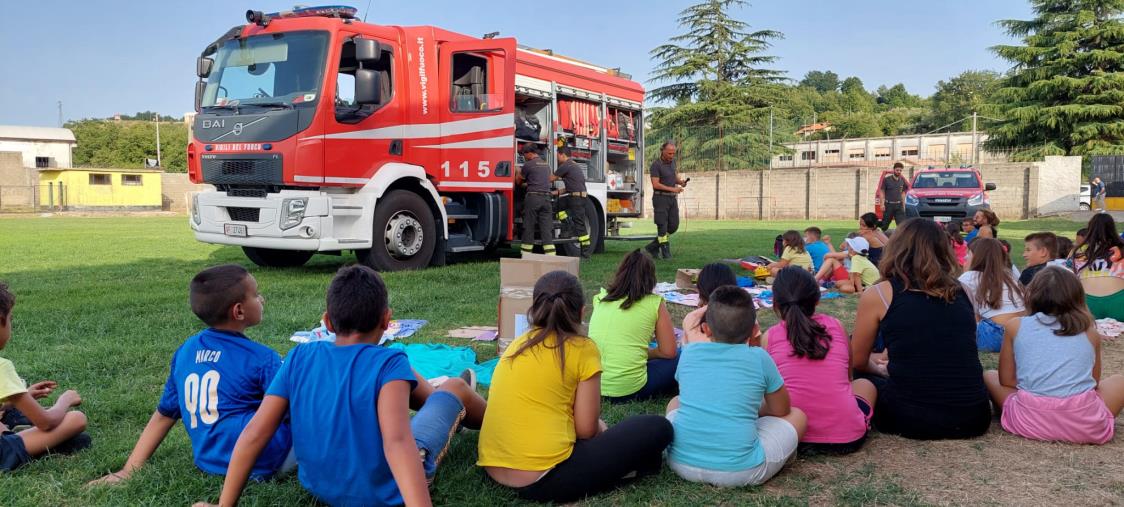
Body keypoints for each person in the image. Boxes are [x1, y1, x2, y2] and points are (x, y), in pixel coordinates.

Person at [197, 266, 477, 507]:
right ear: (386, 320)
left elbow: (254, 433)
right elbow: (398, 443)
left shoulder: (299, 357)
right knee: (455, 387)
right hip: (388, 491)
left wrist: (224, 505)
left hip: (320, 486)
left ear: (327, 322)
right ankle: (487, 424)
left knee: (403, 379)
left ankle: (446, 406)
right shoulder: (390, 363)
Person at [478, 271, 673, 503]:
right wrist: (600, 426)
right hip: (543, 477)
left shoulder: (517, 344)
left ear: (535, 307)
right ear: (582, 312)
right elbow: (586, 430)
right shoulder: (582, 349)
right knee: (657, 427)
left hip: (492, 467)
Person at [92, 265, 292, 485]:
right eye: (256, 294)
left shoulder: (185, 351)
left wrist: (128, 470)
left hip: (208, 461)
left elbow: (164, 415)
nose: (262, 299)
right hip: (262, 461)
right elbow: (293, 409)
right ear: (239, 311)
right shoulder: (262, 357)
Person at [851, 218, 992, 440]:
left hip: (908, 418)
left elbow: (857, 360)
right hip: (973, 417)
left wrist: (882, 370)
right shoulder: (964, 290)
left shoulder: (880, 293)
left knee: (859, 374)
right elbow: (959, 346)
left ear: (896, 248)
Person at [666, 286, 807, 487]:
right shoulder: (759, 357)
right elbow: (781, 409)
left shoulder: (688, 353)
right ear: (754, 331)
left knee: (675, 402)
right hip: (741, 471)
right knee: (798, 416)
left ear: (706, 329)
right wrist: (754, 408)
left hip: (680, 463)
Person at [984, 267, 1124, 444]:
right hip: (1084, 425)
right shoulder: (1090, 333)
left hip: (1028, 421)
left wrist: (1038, 383)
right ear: (1078, 297)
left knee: (989, 376)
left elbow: (1006, 380)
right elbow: (1093, 383)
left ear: (1032, 295)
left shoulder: (1015, 326)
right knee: (1119, 381)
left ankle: (1007, 412)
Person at [764, 267, 876, 454]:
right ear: (817, 299)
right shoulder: (836, 326)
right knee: (865, 384)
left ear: (774, 303)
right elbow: (848, 378)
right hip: (847, 437)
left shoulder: (769, 337)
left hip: (792, 433)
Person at [0, 282, 89, 472]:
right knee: (77, 419)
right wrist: (65, 401)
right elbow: (46, 422)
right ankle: (36, 446)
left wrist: (19, 398)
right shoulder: (2, 366)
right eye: (10, 319)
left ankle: (29, 438)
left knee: (9, 413)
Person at [588, 250, 679, 402]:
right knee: (682, 355)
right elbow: (669, 352)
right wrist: (649, 353)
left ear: (620, 273)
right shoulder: (654, 303)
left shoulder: (600, 298)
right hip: (629, 389)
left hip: (594, 385)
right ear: (651, 278)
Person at [959, 239, 1026, 352]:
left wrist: (966, 272)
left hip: (996, 335)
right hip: (1022, 333)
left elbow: (962, 310)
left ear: (977, 257)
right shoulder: (1009, 276)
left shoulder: (969, 276)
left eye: (968, 254)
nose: (965, 257)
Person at [1073, 213, 1124, 321]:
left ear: (1089, 229)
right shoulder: (1121, 249)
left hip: (1087, 304)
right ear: (1113, 228)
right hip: (1119, 302)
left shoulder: (1078, 251)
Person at [645, 142, 689, 259]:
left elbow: (674, 177)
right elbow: (655, 184)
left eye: (673, 153)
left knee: (674, 226)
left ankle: (652, 247)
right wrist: (673, 189)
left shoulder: (672, 163)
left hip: (672, 199)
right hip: (660, 199)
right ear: (662, 151)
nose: (671, 156)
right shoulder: (656, 165)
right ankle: (666, 253)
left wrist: (681, 182)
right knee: (662, 227)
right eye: (669, 153)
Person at [682, 263, 738, 345]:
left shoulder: (691, 318)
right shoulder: (746, 315)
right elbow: (754, 346)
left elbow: (685, 348)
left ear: (700, 288)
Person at [517, 143, 556, 256]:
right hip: (546, 199)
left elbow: (519, 182)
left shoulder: (528, 165)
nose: (524, 157)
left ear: (529, 153)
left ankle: (526, 255)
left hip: (533, 198)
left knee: (529, 226)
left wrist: (517, 171)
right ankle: (551, 256)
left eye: (524, 154)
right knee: (546, 228)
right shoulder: (546, 165)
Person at [554, 146, 592, 260]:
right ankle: (568, 226)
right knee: (557, 206)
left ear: (562, 155)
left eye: (557, 155)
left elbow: (551, 178)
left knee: (580, 225)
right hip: (575, 197)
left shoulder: (566, 165)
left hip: (576, 199)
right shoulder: (573, 165)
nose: (557, 158)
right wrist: (556, 192)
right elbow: (572, 186)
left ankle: (585, 254)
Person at [814, 237, 879, 294]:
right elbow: (853, 274)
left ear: (852, 249)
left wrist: (860, 292)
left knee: (845, 287)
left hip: (867, 287)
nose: (847, 247)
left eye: (849, 245)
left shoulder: (856, 258)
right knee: (840, 284)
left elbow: (857, 276)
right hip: (865, 285)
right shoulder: (860, 257)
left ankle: (817, 280)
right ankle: (825, 283)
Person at [878, 162, 911, 231]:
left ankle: (900, 237)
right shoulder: (886, 180)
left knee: (901, 226)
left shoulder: (902, 180)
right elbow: (882, 192)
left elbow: (903, 193)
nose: (899, 172)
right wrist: (882, 204)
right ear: (893, 170)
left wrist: (903, 206)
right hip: (888, 206)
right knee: (884, 226)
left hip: (899, 206)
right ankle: (880, 234)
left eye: (900, 170)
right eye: (897, 170)